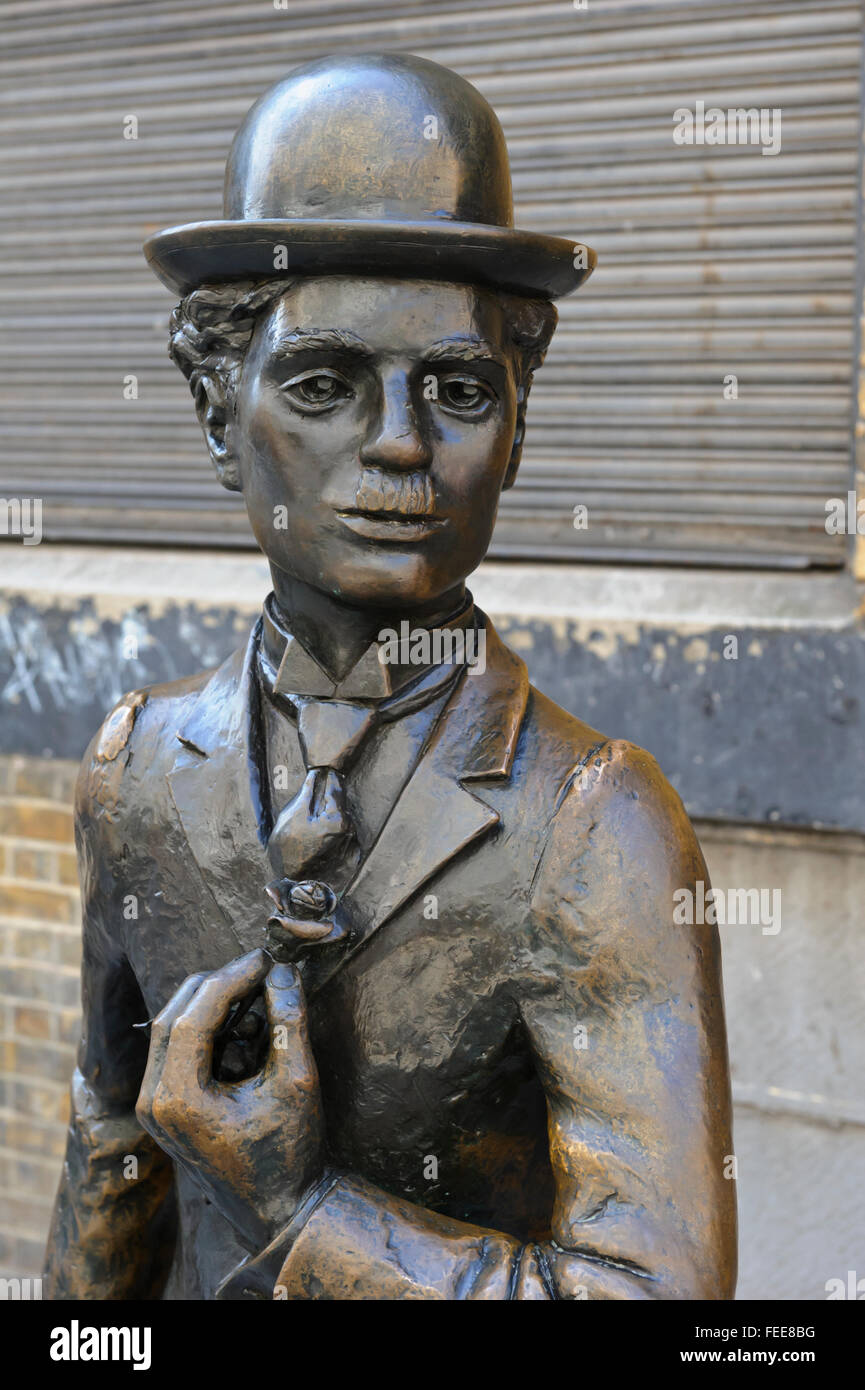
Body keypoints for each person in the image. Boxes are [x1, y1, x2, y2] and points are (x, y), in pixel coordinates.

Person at [44, 53, 736, 1300]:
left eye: (459, 390)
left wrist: (306, 1215)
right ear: (217, 412)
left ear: (515, 428)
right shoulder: (134, 768)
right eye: (325, 384)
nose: (404, 443)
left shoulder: (593, 824)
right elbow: (108, 1164)